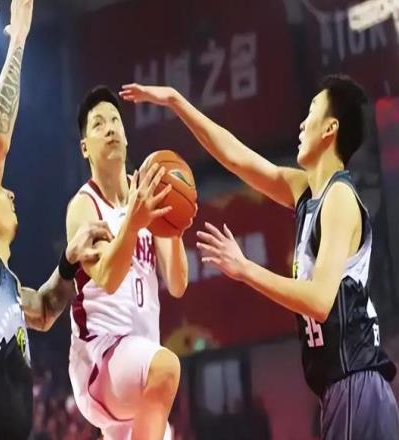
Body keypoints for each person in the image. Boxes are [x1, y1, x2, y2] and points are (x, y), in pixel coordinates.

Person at [120, 76, 399, 439]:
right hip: (340, 391)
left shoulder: (340, 199)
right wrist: (176, 102)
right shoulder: (306, 191)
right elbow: (236, 158)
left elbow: (320, 301)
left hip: (357, 385)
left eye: (311, 112)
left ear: (330, 129)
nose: (302, 124)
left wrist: (245, 269)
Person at [0, 2, 111, 438]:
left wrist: (69, 261)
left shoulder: (7, 291)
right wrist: (18, 42)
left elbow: (46, 310)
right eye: (0, 189)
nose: (10, 194)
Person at [66, 86, 194, 440]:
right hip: (101, 359)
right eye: (98, 124)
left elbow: (178, 284)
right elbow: (107, 278)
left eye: (115, 121)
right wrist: (133, 225)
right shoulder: (84, 207)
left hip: (138, 368)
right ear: (85, 147)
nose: (110, 128)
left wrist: (174, 227)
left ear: (125, 135)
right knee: (166, 368)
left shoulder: (147, 192)